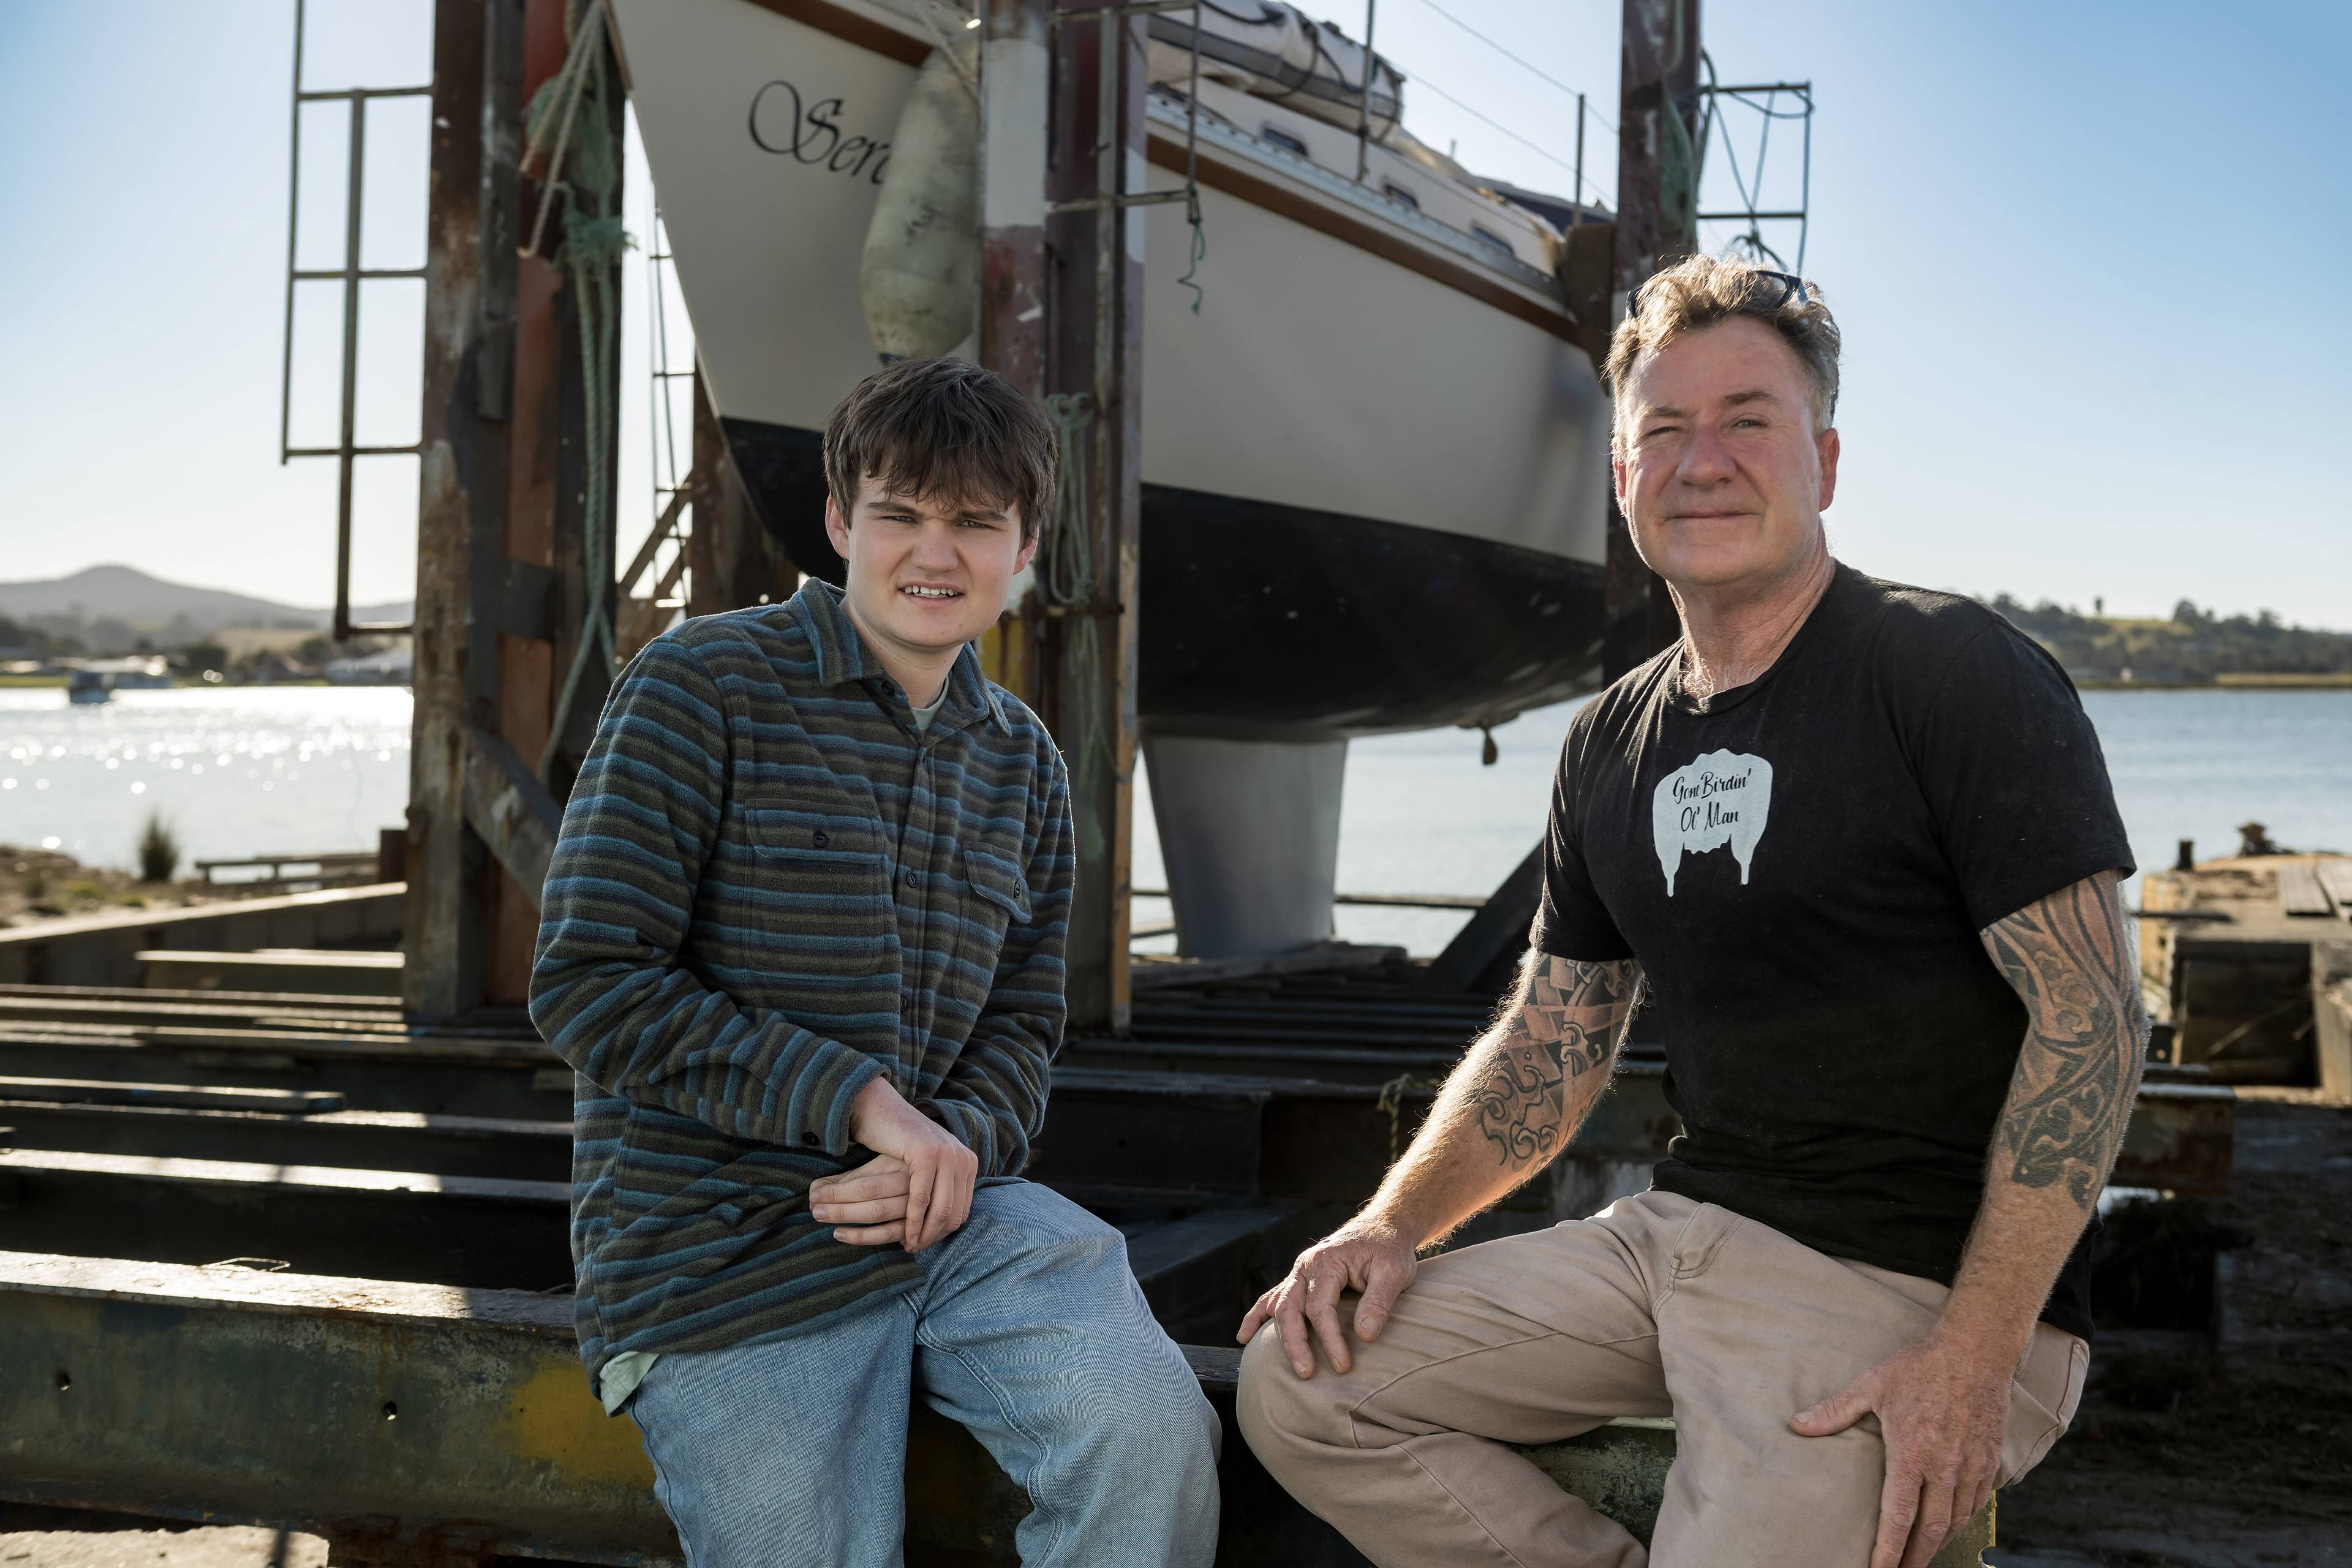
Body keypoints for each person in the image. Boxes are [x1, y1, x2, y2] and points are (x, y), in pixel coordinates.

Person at [1234, 255, 2146, 1568]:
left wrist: (1973, 1356)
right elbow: (1552, 1042)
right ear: (1622, 477)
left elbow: (2096, 1020)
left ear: (1824, 461)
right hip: (1672, 1242)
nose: (1701, 460)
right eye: (1663, 429)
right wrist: (1387, 1224)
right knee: (1303, 1379)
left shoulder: (1951, 669)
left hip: (1904, 1283)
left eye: (1748, 420)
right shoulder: (1613, 736)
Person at [530, 357, 1219, 1568]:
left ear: (1026, 546)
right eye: (899, 512)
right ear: (842, 520)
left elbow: (1020, 1028)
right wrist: (861, 1105)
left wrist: (947, 1146)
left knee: (1148, 1438)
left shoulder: (1026, 763)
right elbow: (590, 977)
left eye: (974, 521)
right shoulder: (702, 684)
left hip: (952, 1222)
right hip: (723, 1250)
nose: (933, 552)